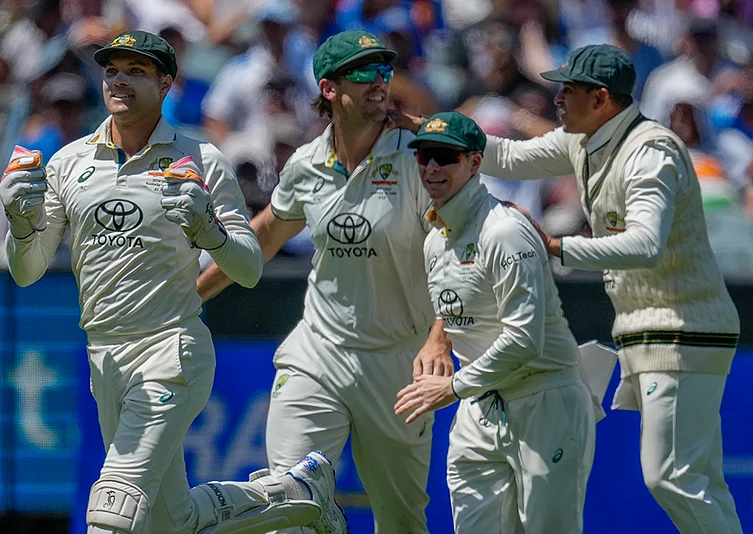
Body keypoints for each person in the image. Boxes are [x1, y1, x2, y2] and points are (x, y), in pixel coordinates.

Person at [0, 30, 347, 534]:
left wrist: (210, 230)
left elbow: (248, 267)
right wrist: (21, 224)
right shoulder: (69, 162)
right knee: (173, 518)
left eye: (135, 72)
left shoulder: (200, 159)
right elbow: (25, 270)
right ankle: (298, 493)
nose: (119, 80)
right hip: (105, 358)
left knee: (112, 512)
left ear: (166, 85)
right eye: (112, 70)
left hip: (170, 351)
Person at [402, 44, 743, 533]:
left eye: (569, 90)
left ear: (601, 98)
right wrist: (424, 129)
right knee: (694, 476)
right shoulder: (581, 141)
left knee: (673, 475)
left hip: (683, 327)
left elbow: (646, 244)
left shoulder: (651, 150)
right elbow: (504, 156)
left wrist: (556, 245)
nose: (557, 99)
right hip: (649, 330)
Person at [197, 30, 453, 533]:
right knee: (285, 506)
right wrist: (188, 297)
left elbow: (460, 254)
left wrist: (439, 339)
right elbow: (264, 236)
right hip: (318, 351)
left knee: (401, 522)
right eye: (363, 73)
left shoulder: (420, 159)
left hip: (399, 366)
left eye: (384, 71)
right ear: (330, 88)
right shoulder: (307, 164)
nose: (380, 82)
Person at [393, 111, 595, 533]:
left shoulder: (504, 231)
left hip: (544, 402)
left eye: (446, 156)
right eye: (425, 155)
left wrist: (451, 386)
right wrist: (439, 340)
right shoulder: (435, 239)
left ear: (474, 162)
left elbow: (524, 339)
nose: (432, 167)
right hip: (479, 409)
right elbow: (463, 302)